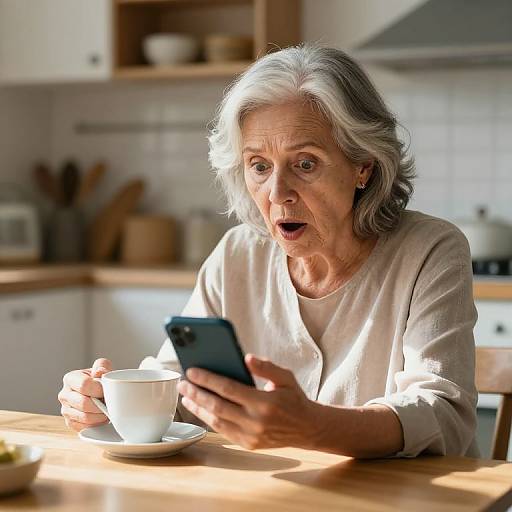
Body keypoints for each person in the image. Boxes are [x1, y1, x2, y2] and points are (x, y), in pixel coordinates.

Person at [58, 45, 478, 458]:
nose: (278, 193)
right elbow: (184, 388)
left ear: (363, 166)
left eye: (306, 163)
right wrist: (107, 398)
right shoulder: (237, 254)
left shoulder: (430, 251)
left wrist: (314, 426)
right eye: (259, 166)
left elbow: (444, 416)